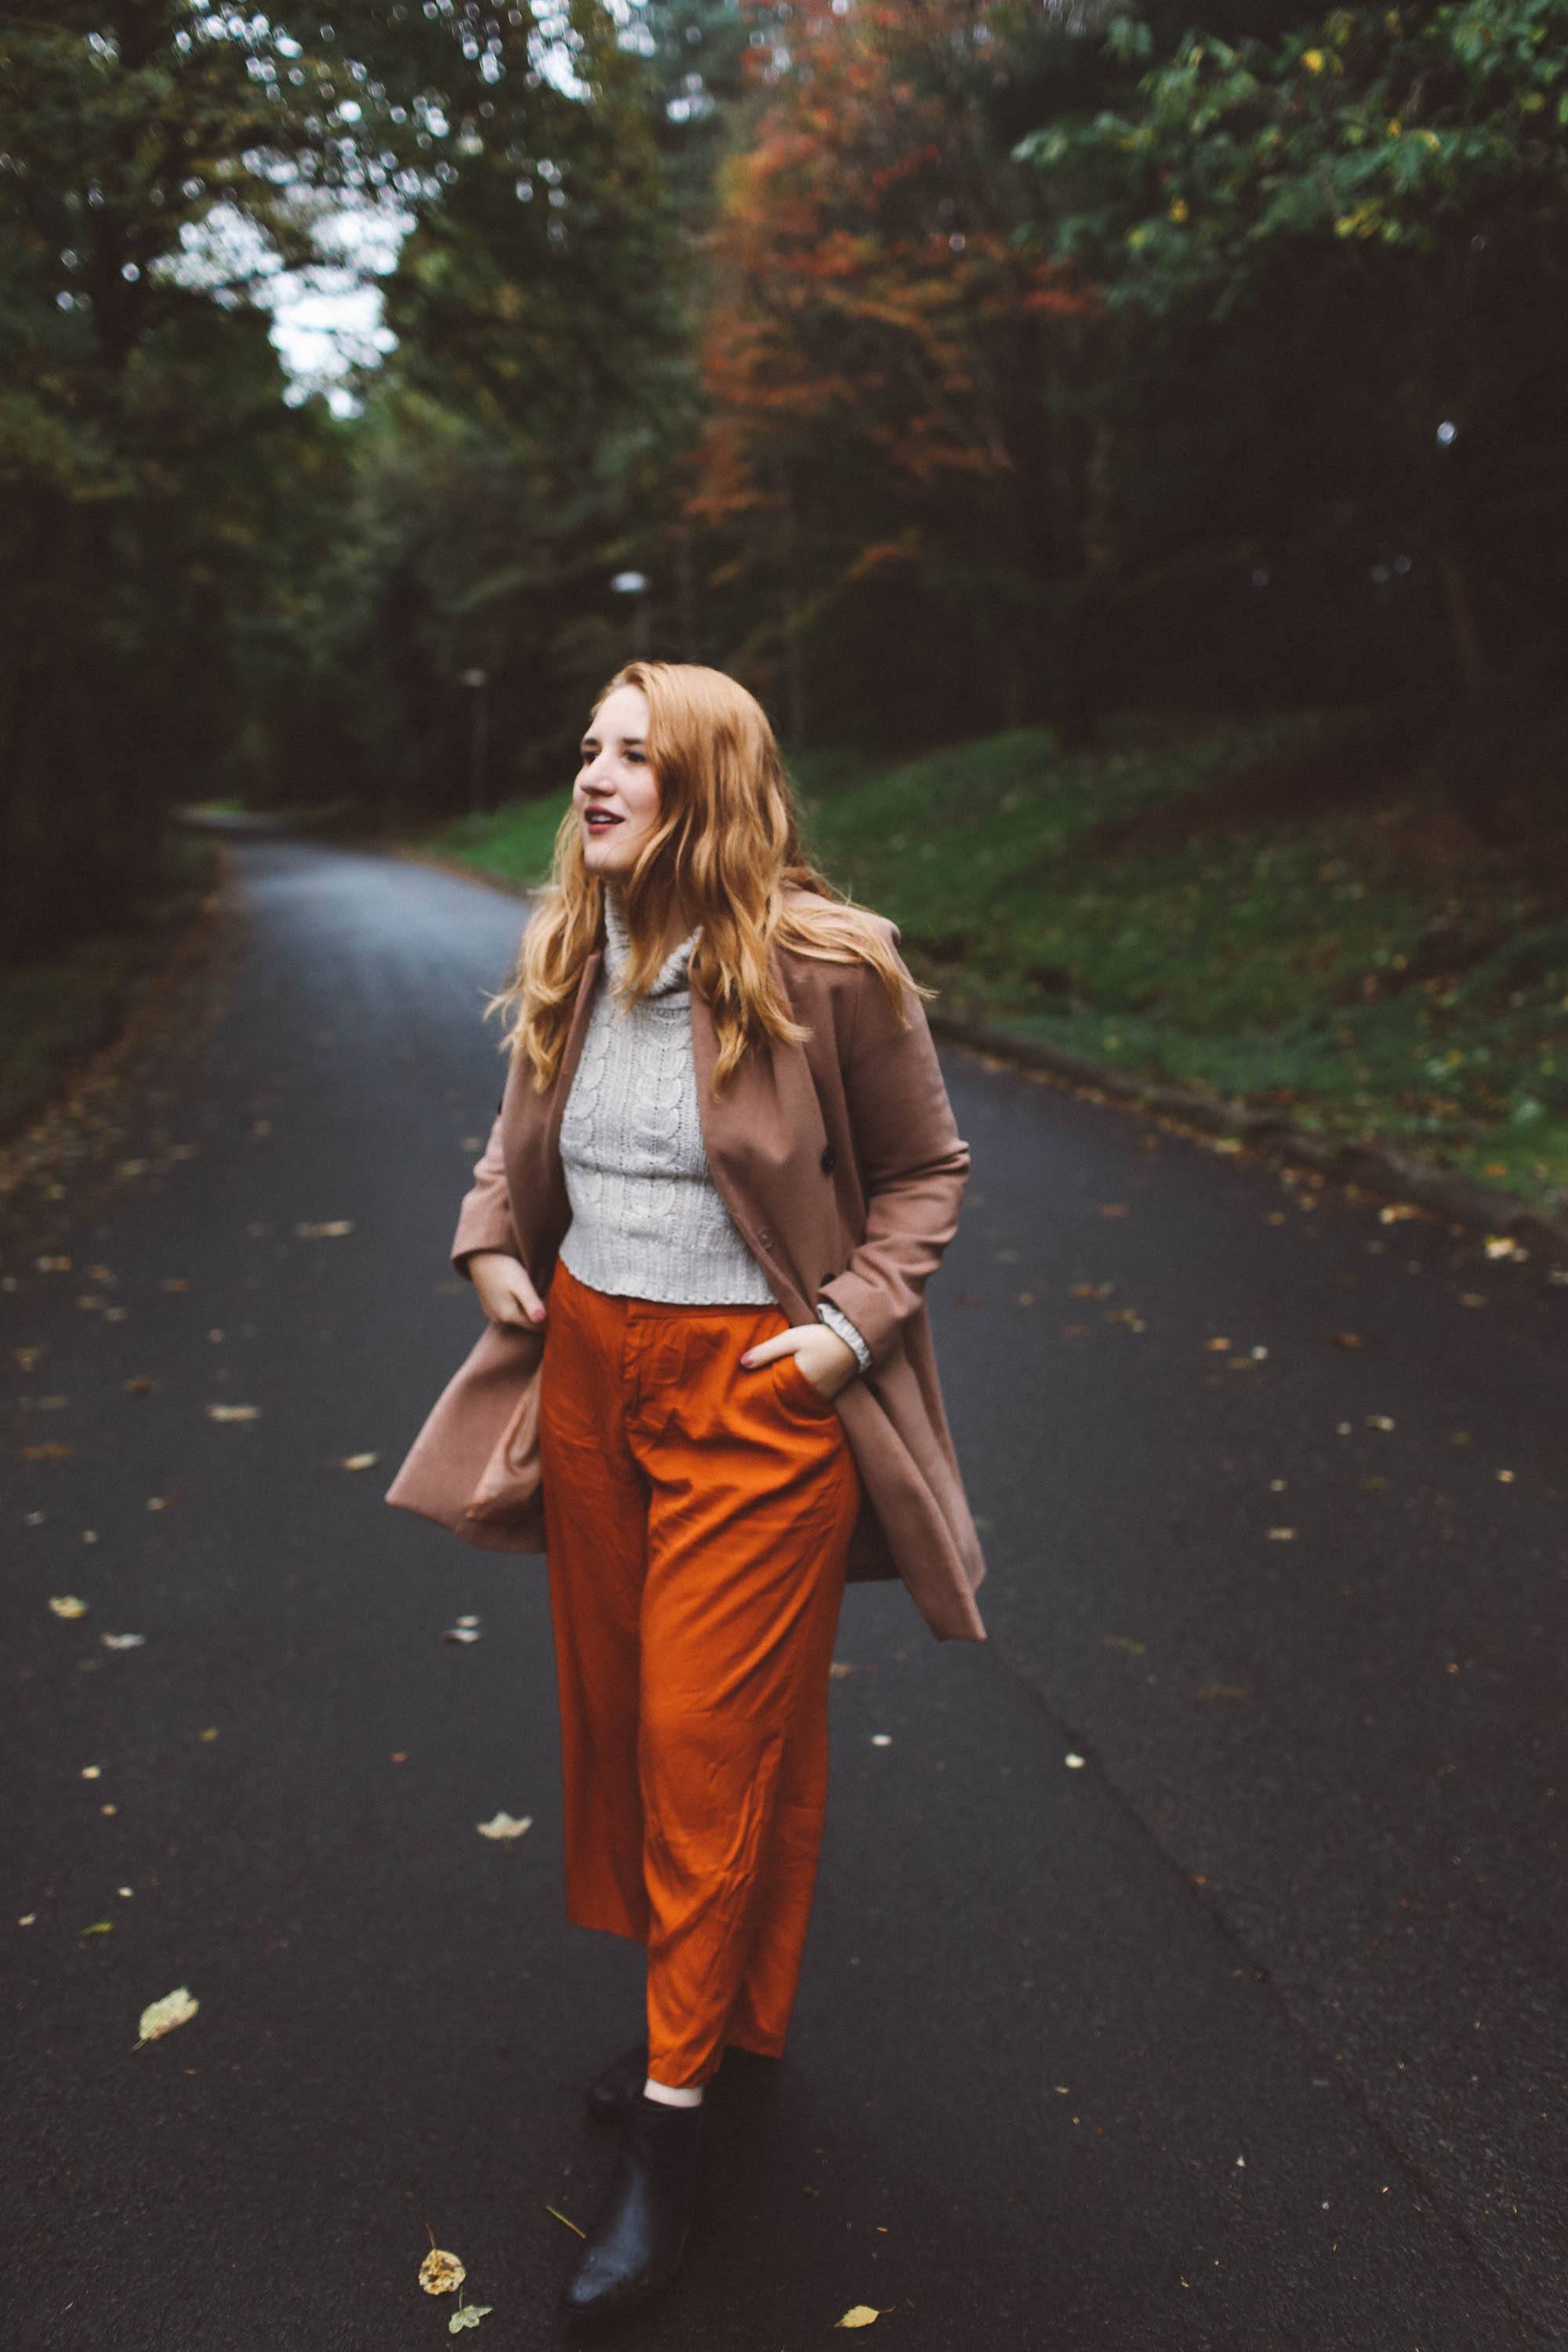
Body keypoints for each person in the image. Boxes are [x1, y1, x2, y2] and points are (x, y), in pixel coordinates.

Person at [387, 659, 986, 2330]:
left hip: (753, 1398)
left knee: (699, 1745)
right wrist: (493, 1240)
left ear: (711, 782)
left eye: (634, 756)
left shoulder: (826, 968)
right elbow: (519, 1142)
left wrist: (842, 1341)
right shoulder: (579, 948)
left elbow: (928, 1172)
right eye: (588, 748)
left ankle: (669, 2140)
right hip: (589, 1379)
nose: (594, 776)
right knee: (637, 1723)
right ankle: (724, 2023)